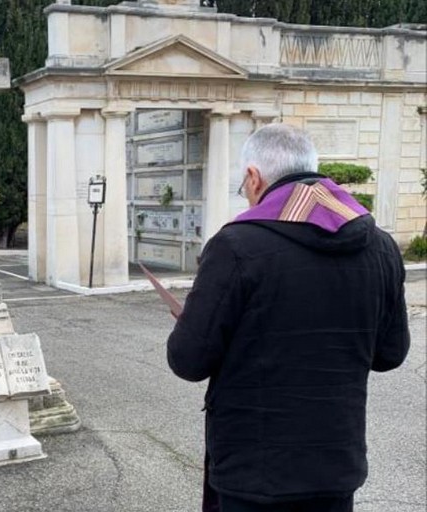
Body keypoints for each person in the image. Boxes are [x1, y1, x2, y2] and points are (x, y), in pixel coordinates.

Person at [167, 123, 410, 512]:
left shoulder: (236, 245)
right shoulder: (381, 246)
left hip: (253, 470)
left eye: (243, 188)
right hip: (335, 464)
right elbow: (390, 354)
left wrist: (191, 321)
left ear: (253, 177)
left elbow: (188, 361)